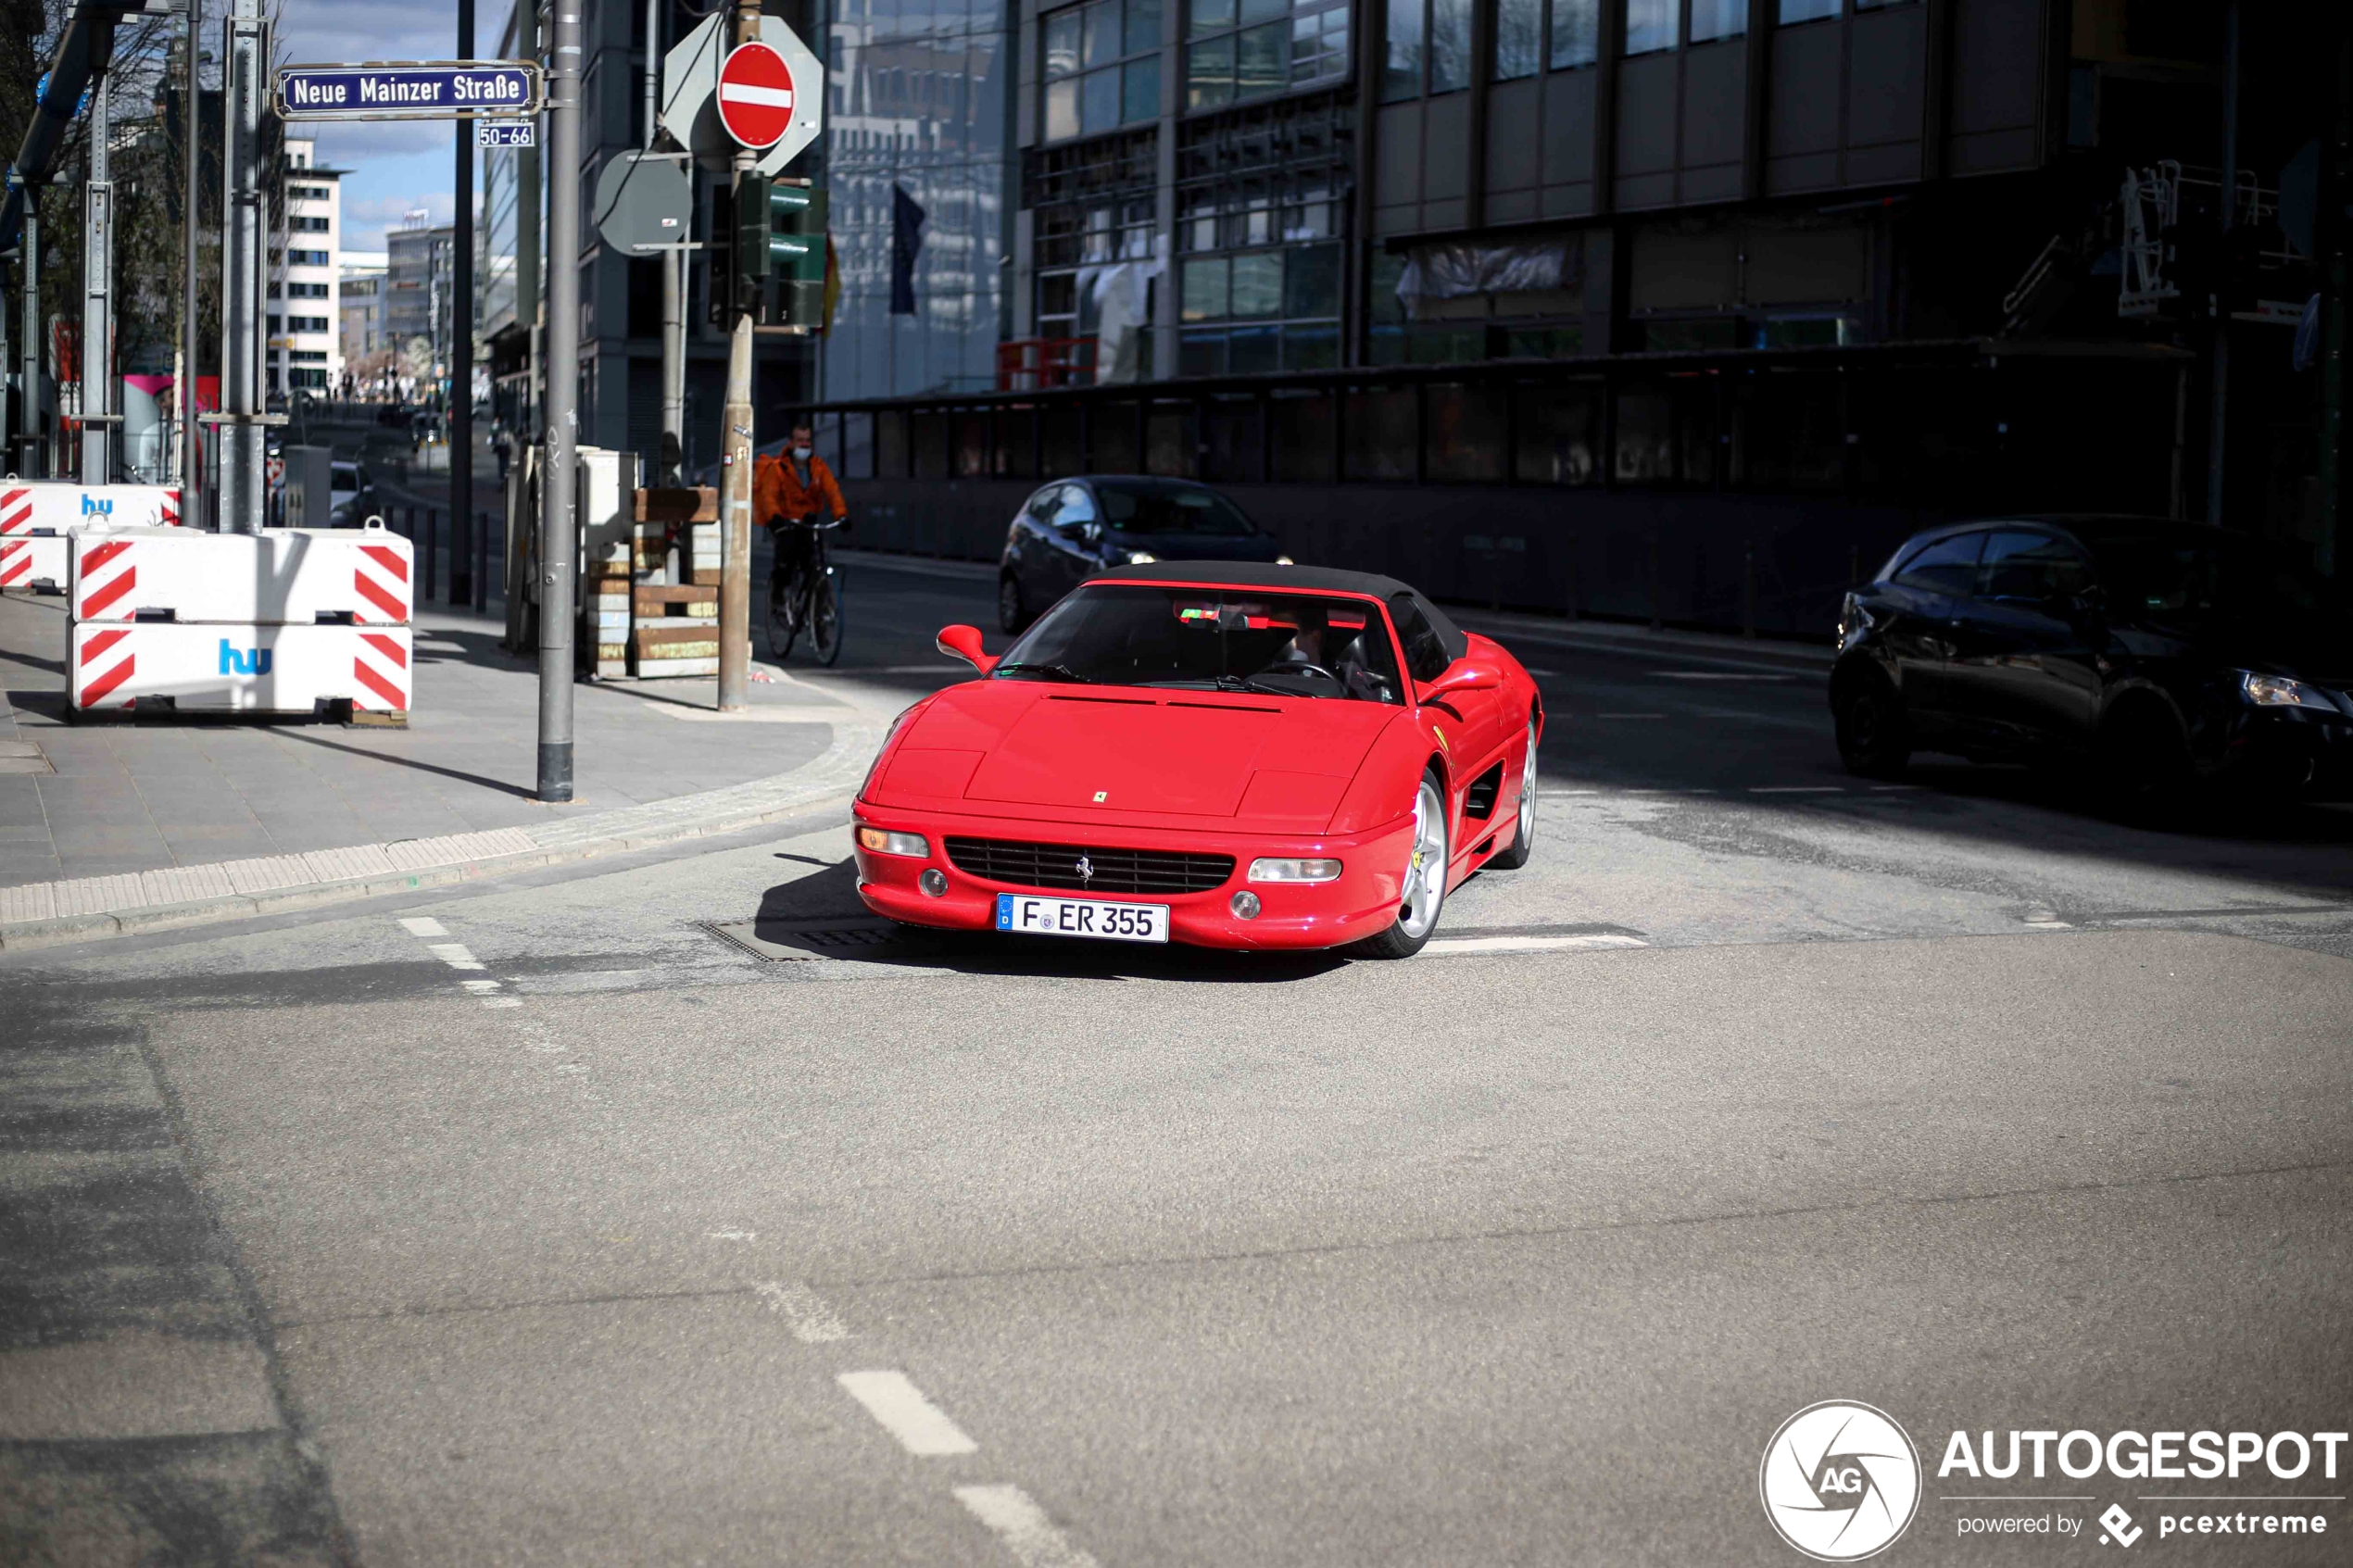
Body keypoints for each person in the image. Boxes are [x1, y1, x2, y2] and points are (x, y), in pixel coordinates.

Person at [753, 422, 848, 595]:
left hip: (809, 521)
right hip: (785, 522)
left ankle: (816, 608)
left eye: (807, 440)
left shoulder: (819, 467)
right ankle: (779, 597)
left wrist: (841, 516)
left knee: (815, 562)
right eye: (800, 440)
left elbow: (832, 491)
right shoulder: (778, 468)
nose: (804, 444)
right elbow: (768, 496)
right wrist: (774, 517)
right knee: (786, 560)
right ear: (790, 443)